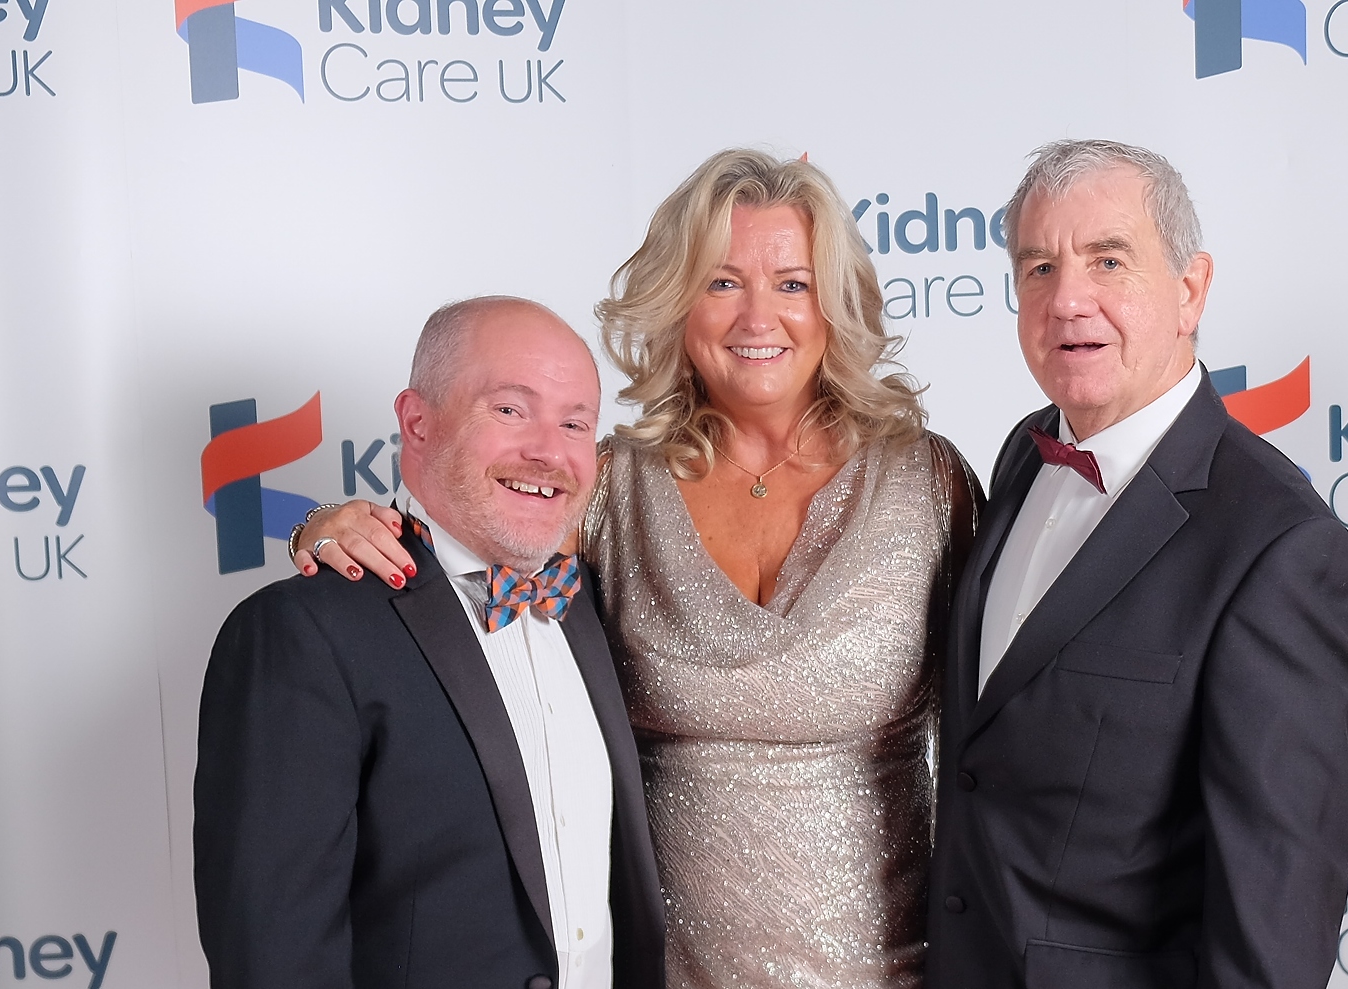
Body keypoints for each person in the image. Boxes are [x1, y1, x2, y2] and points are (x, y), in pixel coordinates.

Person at [291, 150, 980, 988]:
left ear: (835, 304)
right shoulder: (610, 484)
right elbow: (469, 559)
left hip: (899, 973)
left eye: (792, 284)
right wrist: (325, 523)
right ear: (677, 303)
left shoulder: (927, 481)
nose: (757, 316)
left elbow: (1000, 740)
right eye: (722, 282)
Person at [923, 139, 1348, 988]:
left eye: (1108, 260)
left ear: (1190, 289)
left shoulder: (1276, 545)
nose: (1068, 300)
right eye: (1039, 267)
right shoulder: (1024, 453)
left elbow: (1273, 915)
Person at [193, 298, 665, 989]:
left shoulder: (588, 601)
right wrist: (310, 526)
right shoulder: (300, 634)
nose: (548, 450)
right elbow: (273, 958)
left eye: (575, 423)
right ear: (417, 422)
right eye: (509, 409)